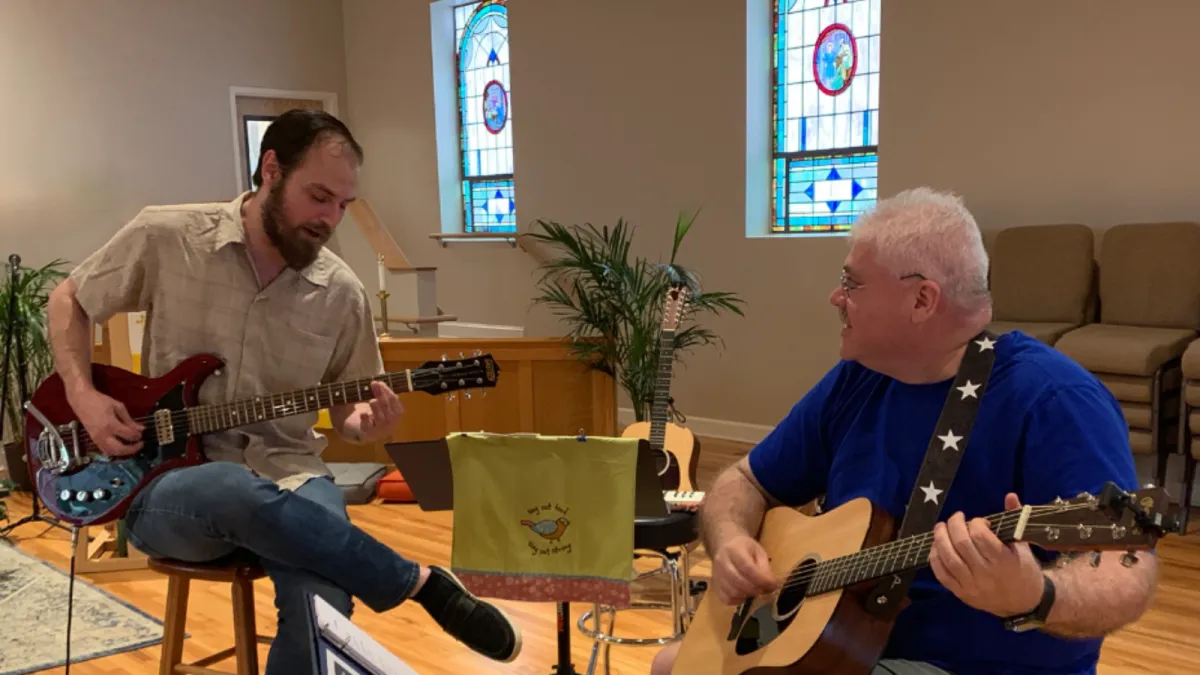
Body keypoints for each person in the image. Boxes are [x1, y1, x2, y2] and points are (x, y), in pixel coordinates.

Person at [46, 109, 521, 674]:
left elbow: (348, 407)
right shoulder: (168, 236)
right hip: (166, 484)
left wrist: (365, 425)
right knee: (231, 485)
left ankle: (391, 584)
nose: (330, 219)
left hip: (291, 473)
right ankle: (417, 583)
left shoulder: (341, 293)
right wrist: (82, 394)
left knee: (324, 604)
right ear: (271, 169)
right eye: (318, 197)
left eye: (342, 205)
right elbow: (67, 299)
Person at [651, 188, 1160, 675]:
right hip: (842, 644)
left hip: (978, 665)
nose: (835, 297)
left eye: (852, 283)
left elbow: (1126, 570)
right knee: (670, 664)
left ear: (922, 300)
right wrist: (732, 541)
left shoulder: (1055, 400)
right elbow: (746, 481)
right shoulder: (859, 379)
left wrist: (1038, 596)